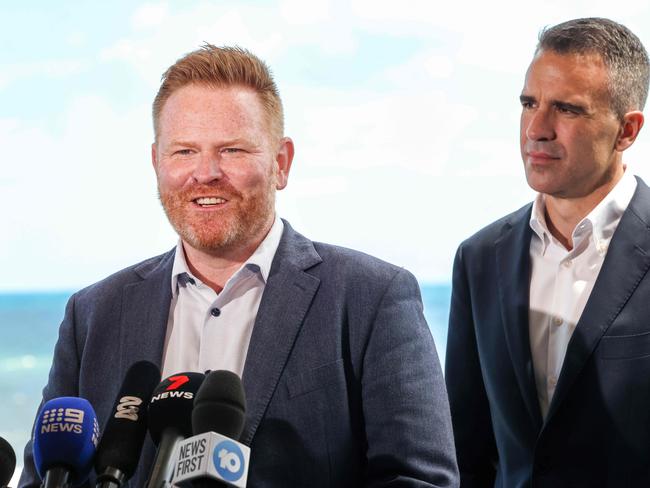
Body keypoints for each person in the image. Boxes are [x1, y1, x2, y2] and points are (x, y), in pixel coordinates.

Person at [19, 45, 458, 487]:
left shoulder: (373, 298)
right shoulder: (92, 314)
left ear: (281, 164)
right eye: (184, 151)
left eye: (231, 150)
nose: (206, 173)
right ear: (156, 163)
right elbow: (47, 475)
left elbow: (420, 480)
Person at [445, 17, 650, 487]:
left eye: (567, 109)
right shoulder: (478, 259)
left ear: (627, 131)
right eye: (528, 103)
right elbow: (465, 448)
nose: (537, 128)